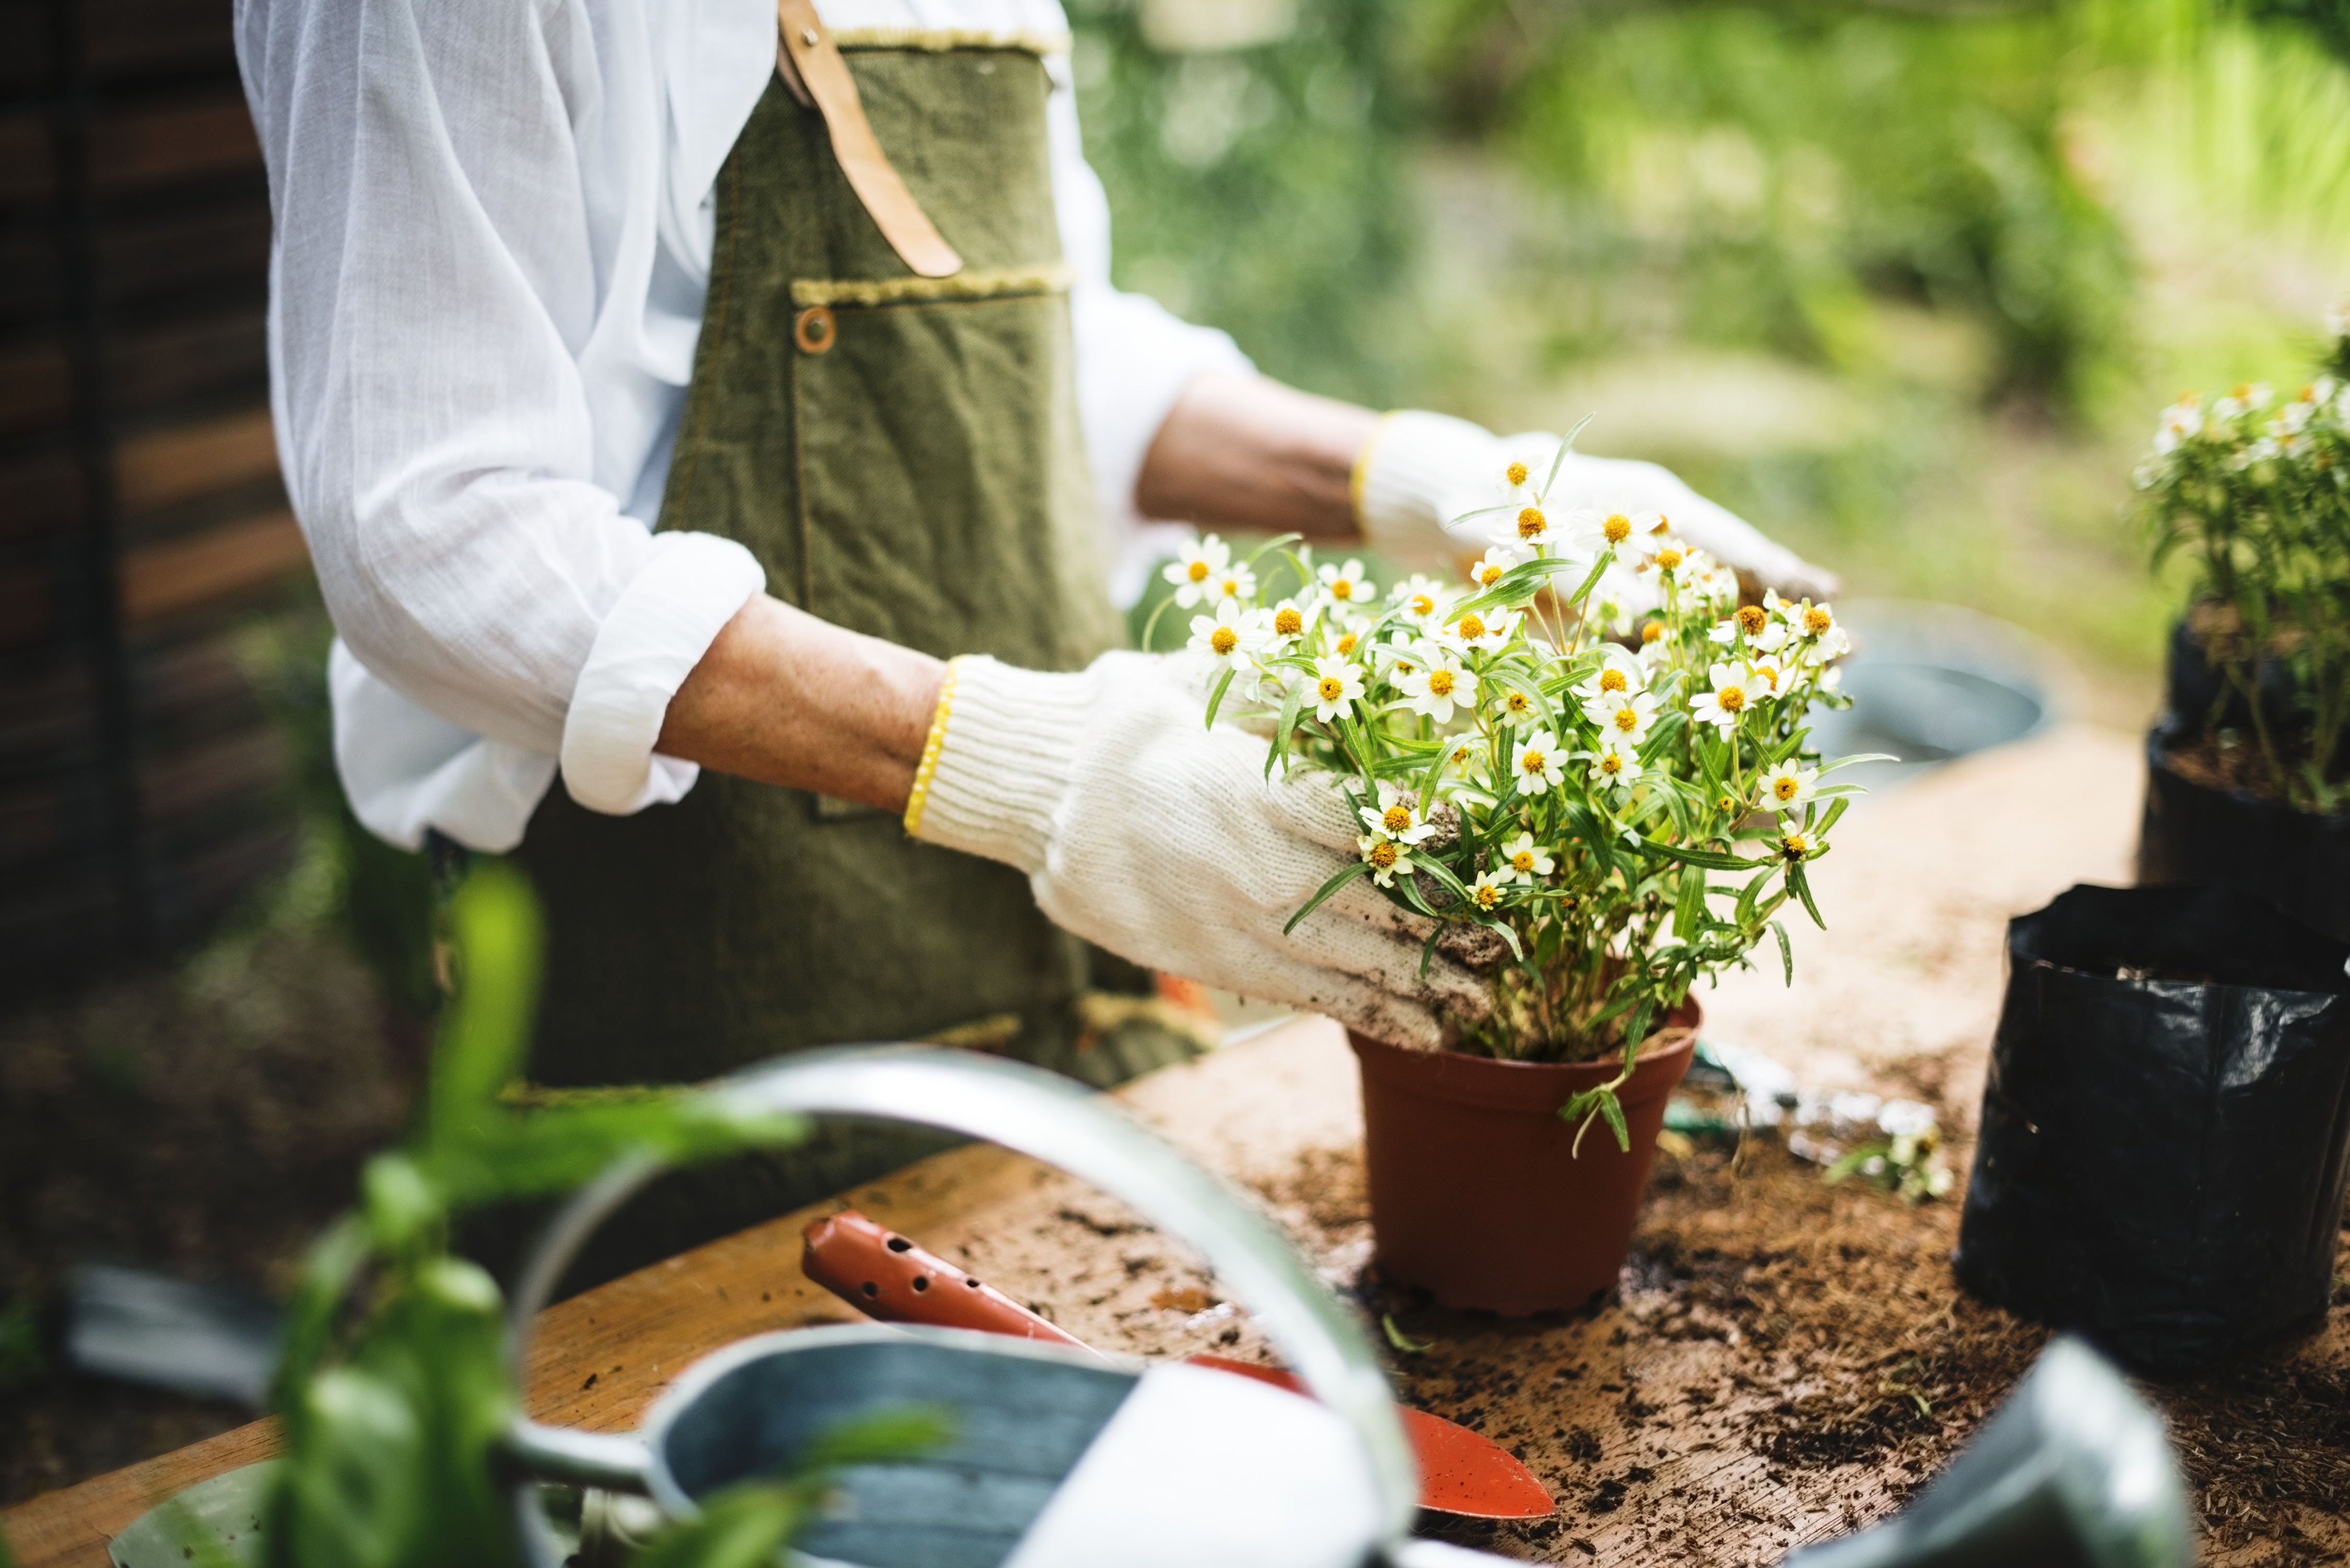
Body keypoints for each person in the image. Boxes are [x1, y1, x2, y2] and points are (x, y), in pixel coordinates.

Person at [236, 0, 1834, 1280]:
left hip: (1039, 983)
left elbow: (1034, 354)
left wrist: (1432, 483)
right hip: (692, 1008)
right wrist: (1033, 765)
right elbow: (428, 524)